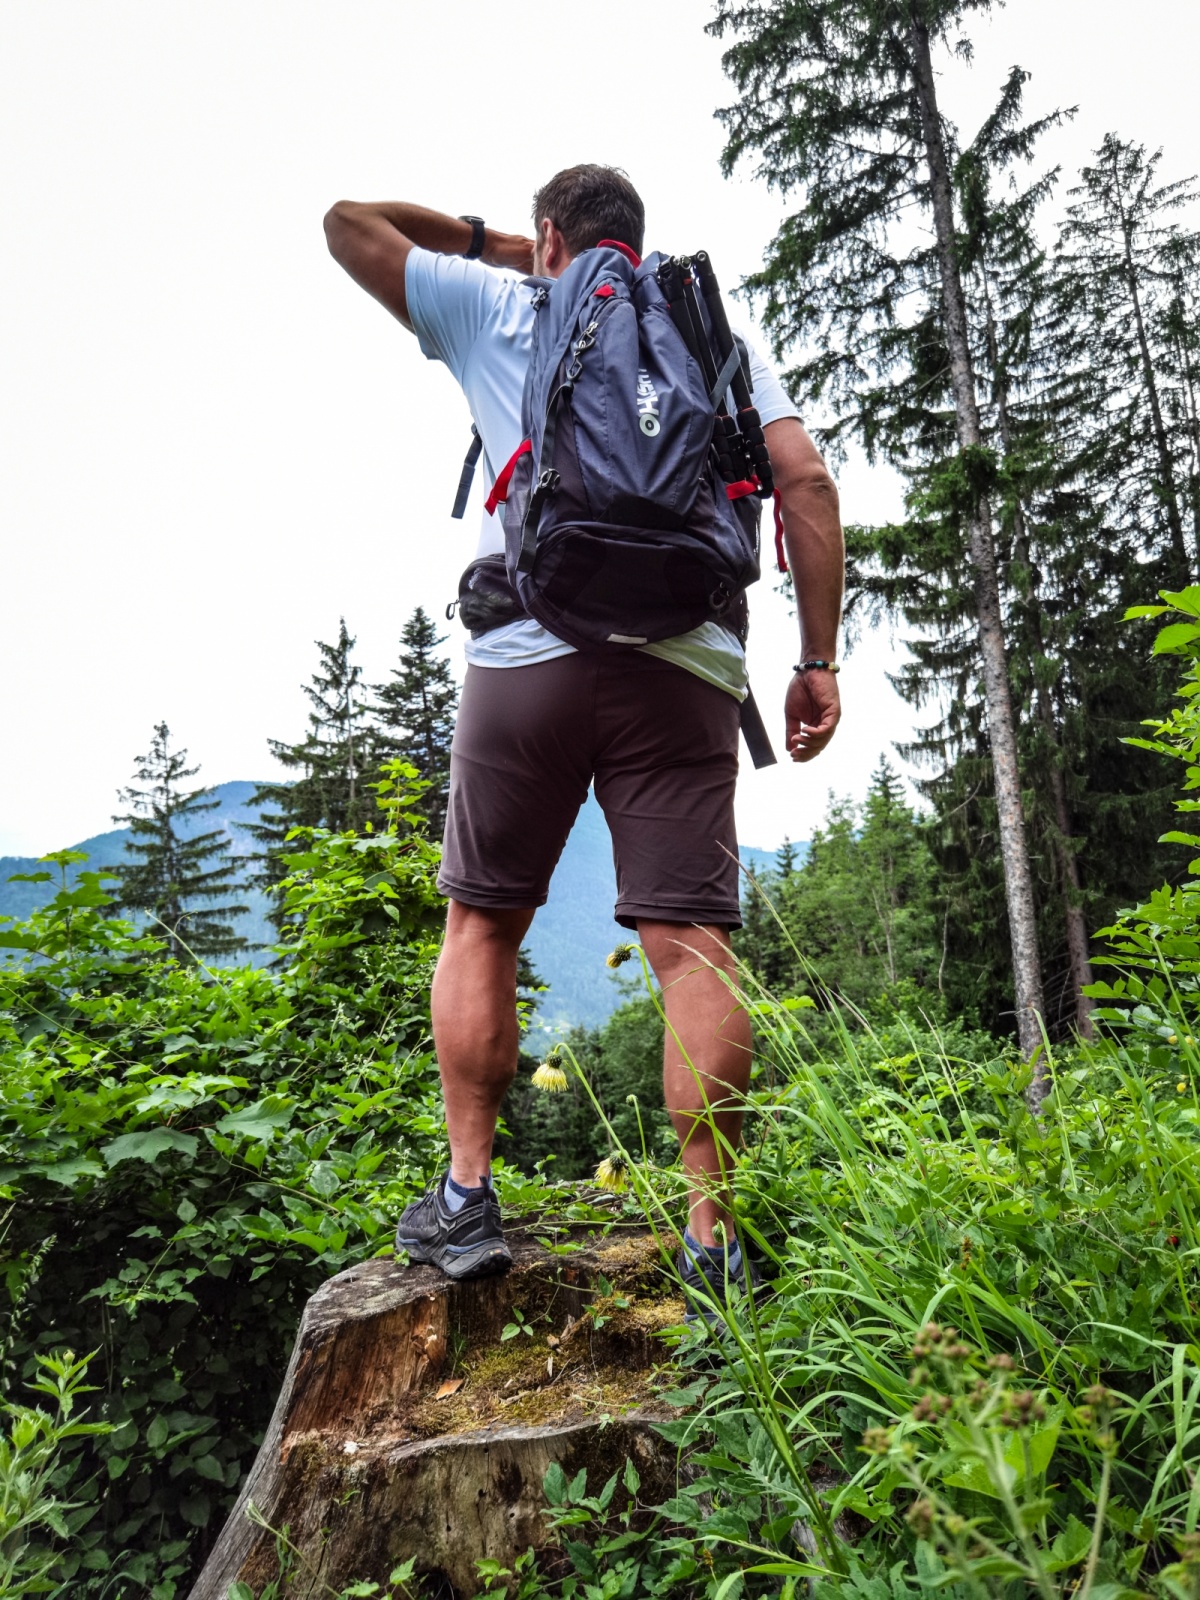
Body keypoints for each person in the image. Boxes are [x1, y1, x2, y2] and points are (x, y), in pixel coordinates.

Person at [324, 165, 844, 1299]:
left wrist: (502, 249)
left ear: (554, 237)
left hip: (527, 652)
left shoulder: (501, 304)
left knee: (482, 924)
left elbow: (349, 224)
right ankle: (711, 1239)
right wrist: (817, 661)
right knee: (692, 947)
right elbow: (804, 483)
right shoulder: (710, 334)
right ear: (639, 245)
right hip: (687, 663)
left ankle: (467, 1199)